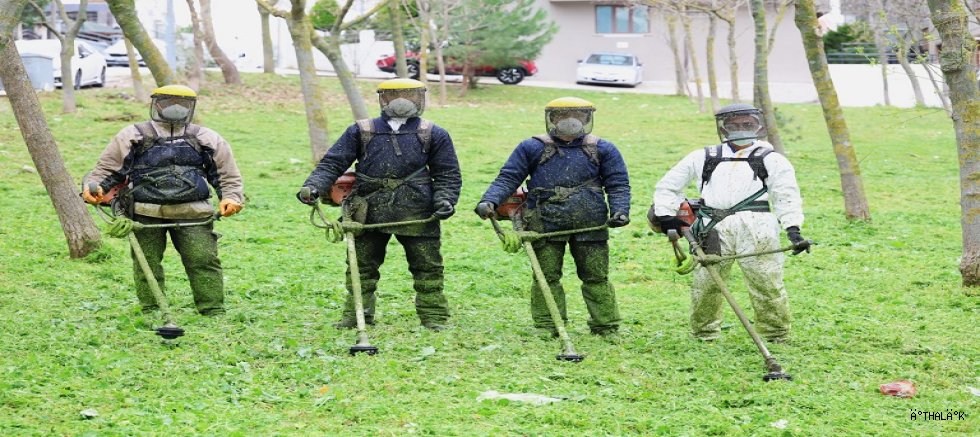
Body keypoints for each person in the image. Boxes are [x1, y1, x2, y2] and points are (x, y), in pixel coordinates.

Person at [298, 78, 461, 331]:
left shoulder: (433, 133)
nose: (401, 101)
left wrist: (445, 199)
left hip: (418, 210)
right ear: (382, 99)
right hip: (367, 209)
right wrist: (314, 186)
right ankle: (356, 316)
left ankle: (434, 318)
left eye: (409, 95)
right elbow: (333, 163)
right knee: (360, 268)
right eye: (393, 94)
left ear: (421, 98)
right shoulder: (361, 131)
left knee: (428, 268)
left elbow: (447, 173)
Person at [83, 84, 244, 316]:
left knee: (203, 260)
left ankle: (212, 310)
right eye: (169, 102)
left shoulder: (207, 138)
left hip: (194, 214)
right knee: (145, 263)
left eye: (182, 103)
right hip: (144, 214)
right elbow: (108, 168)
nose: (175, 107)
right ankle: (151, 309)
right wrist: (96, 186)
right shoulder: (133, 135)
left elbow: (226, 173)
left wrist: (231, 197)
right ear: (157, 104)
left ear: (191, 106)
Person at [652, 103, 808, 342]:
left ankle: (775, 333)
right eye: (734, 124)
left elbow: (786, 195)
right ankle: (704, 333)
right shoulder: (703, 156)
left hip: (758, 228)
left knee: (765, 281)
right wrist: (666, 216)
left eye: (747, 124)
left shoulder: (772, 160)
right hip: (711, 227)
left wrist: (793, 229)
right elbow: (667, 186)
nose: (741, 128)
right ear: (723, 128)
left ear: (758, 125)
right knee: (706, 283)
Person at [475, 97, 631, 337]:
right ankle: (548, 325)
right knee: (545, 277)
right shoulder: (532, 147)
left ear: (587, 119)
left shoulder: (603, 148)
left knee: (596, 277)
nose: (570, 120)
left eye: (577, 115)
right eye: (563, 115)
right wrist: (490, 200)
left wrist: (620, 210)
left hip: (590, 224)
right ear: (552, 118)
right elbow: (508, 177)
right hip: (543, 223)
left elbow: (618, 183)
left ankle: (606, 325)